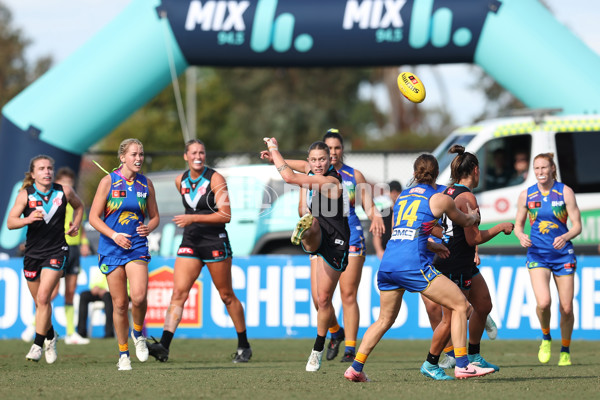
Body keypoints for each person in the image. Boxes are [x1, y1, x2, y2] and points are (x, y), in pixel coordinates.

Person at [343, 153, 494, 382]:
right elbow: (463, 222)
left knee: (384, 319)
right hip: (412, 264)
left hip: (389, 265)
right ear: (436, 174)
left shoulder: (402, 197)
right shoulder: (439, 199)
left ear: (414, 173)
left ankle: (355, 368)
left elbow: (402, 233)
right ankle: (463, 364)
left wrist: (432, 247)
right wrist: (473, 217)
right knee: (462, 305)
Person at [148, 139, 252, 364]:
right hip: (191, 241)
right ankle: (164, 346)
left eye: (202, 152)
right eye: (193, 152)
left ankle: (244, 344)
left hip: (215, 241)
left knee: (226, 295)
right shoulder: (180, 180)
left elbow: (226, 215)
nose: (198, 156)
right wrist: (191, 221)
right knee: (178, 293)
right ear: (185, 156)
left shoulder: (216, 178)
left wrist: (193, 217)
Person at [421, 145, 514, 380]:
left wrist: (448, 238)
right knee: (451, 317)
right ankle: (432, 362)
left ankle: (473, 356)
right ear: (475, 170)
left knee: (483, 305)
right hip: (456, 261)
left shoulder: (448, 192)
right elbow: (475, 237)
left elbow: (436, 226)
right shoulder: (468, 196)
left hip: (458, 258)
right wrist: (501, 227)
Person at [261, 137, 349, 372]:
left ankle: (317, 350)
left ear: (330, 160)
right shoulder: (311, 167)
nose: (318, 164)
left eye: (322, 159)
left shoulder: (331, 181)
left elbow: (290, 176)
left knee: (323, 300)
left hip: (335, 242)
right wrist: (275, 159)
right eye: (314, 160)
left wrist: (274, 150)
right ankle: (307, 231)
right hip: (319, 235)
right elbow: (298, 165)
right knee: (315, 298)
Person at [89, 138, 160, 371]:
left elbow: (155, 216)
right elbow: (93, 218)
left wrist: (149, 227)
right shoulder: (108, 182)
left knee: (138, 297)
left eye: (141, 154)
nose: (138, 158)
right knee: (119, 304)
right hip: (111, 248)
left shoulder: (146, 183)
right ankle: (123, 354)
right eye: (133, 154)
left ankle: (138, 334)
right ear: (122, 157)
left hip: (137, 247)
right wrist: (113, 235)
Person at [7, 155, 84, 363]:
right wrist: (28, 219)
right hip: (32, 254)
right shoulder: (25, 195)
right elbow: (10, 222)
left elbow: (79, 207)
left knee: (43, 298)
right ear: (33, 174)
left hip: (57, 251)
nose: (47, 172)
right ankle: (51, 335)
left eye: (50, 168)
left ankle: (37, 344)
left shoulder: (64, 191)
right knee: (40, 303)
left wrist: (76, 224)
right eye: (41, 169)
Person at [514, 152, 581, 366]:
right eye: (536, 169)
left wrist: (565, 236)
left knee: (566, 308)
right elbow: (517, 225)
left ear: (552, 169)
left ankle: (565, 349)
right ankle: (545, 337)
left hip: (563, 255)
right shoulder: (527, 195)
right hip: (537, 255)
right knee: (544, 303)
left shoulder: (565, 192)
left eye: (544, 168)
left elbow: (577, 225)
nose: (540, 172)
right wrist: (521, 235)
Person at [54, 167, 93, 345]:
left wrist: (84, 243)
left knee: (70, 291)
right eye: (64, 183)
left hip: (75, 249)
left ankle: (70, 332)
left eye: (70, 183)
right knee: (51, 292)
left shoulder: (76, 203)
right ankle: (35, 325)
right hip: (57, 247)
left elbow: (81, 226)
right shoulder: (54, 202)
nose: (67, 186)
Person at [76, 268, 114, 339]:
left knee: (107, 296)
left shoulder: (119, 264)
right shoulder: (102, 265)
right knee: (84, 295)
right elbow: (95, 282)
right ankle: (81, 332)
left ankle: (109, 333)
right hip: (101, 293)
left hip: (114, 293)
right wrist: (95, 288)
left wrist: (107, 289)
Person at [373, 180, 402, 260]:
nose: (394, 193)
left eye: (397, 190)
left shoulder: (405, 212)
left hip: (401, 252)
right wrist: (379, 250)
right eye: (392, 190)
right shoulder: (383, 213)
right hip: (386, 252)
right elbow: (377, 234)